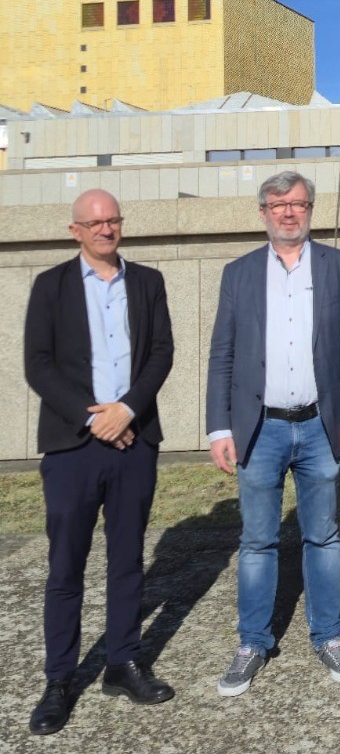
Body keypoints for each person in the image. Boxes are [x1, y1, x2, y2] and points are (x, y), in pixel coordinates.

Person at [206, 171, 340, 696]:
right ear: (263, 213)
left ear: (310, 209)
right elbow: (223, 356)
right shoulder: (238, 274)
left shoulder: (339, 268)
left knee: (322, 536)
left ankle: (329, 637)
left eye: (297, 203)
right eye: (277, 204)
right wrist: (218, 427)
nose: (288, 212)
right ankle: (252, 642)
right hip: (260, 428)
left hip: (321, 426)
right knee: (257, 540)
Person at [24, 189, 175, 736]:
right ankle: (60, 678)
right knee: (66, 567)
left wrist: (129, 408)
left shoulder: (148, 282)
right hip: (73, 446)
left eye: (113, 220)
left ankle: (122, 661)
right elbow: (37, 366)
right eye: (95, 223)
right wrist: (95, 419)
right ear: (76, 231)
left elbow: (162, 352)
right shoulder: (50, 286)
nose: (106, 229)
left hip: (135, 441)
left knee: (127, 558)